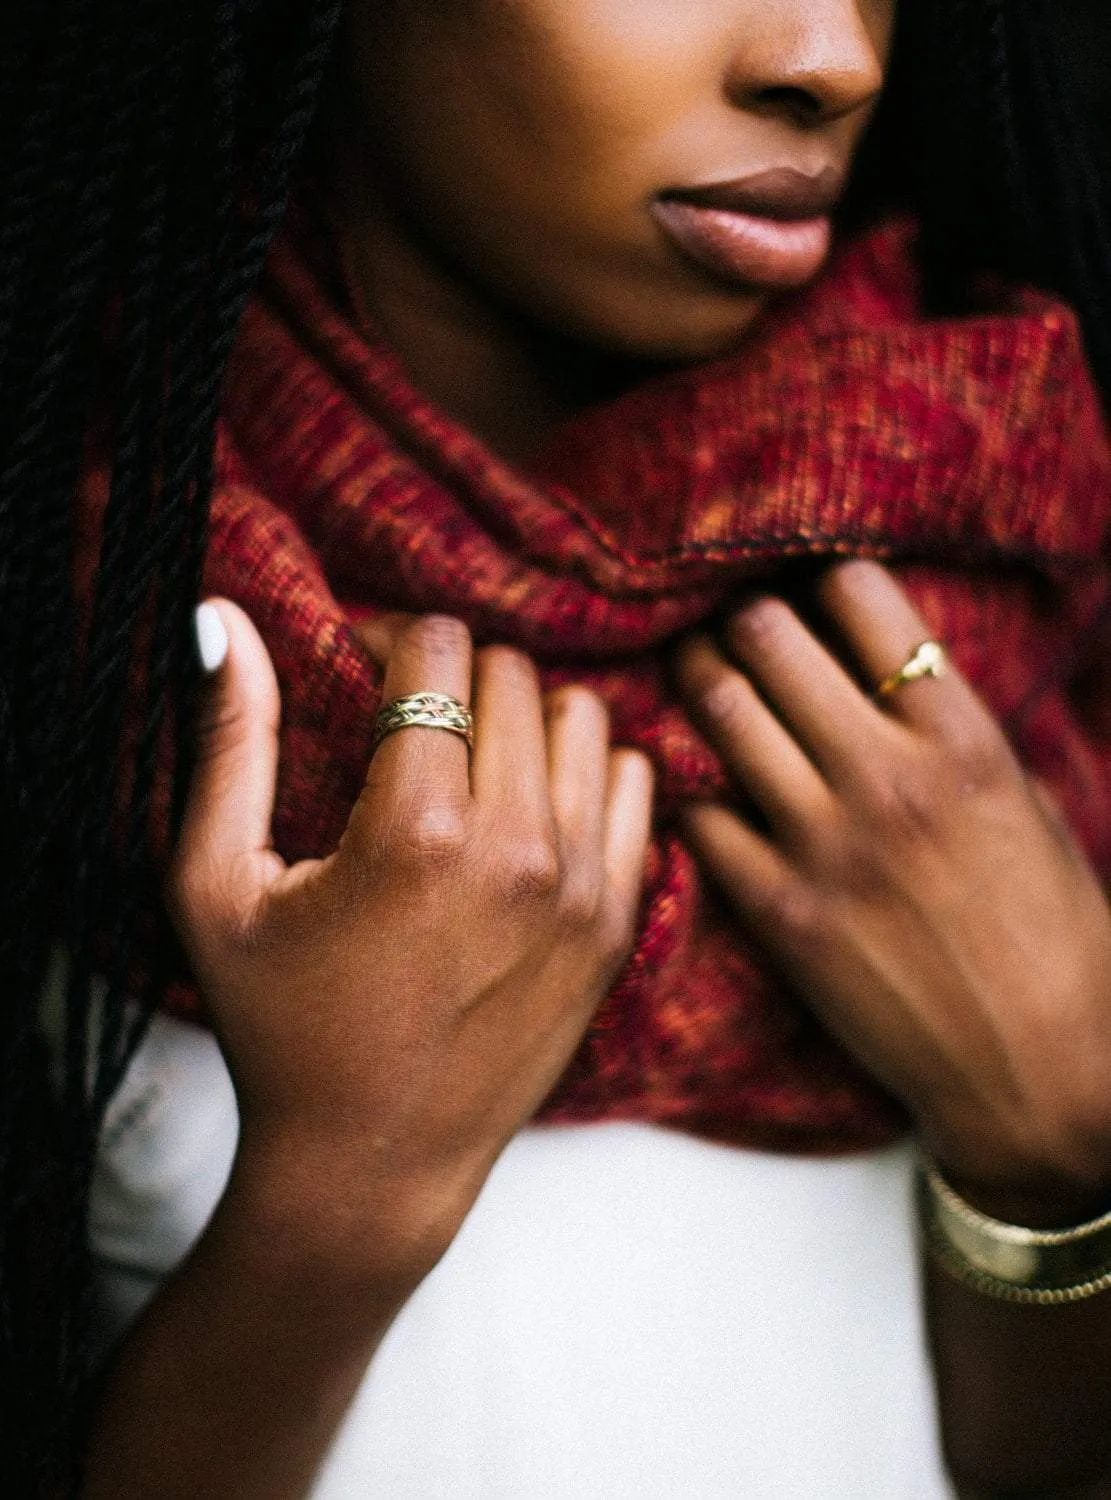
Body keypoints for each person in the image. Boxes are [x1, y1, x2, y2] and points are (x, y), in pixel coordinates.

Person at [3, 0, 1111, 1494]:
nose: (826, 56)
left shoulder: (1021, 572)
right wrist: (335, 1205)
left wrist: (1052, 1143)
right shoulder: (72, 637)